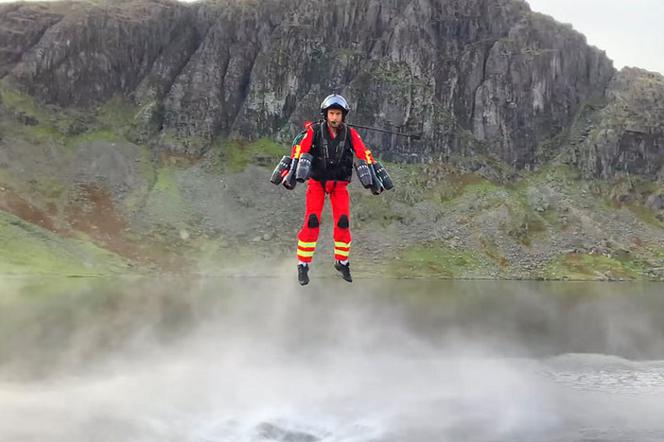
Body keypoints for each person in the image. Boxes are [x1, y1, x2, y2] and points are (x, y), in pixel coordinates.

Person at [285, 94, 380, 285]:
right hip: (317, 183)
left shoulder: (350, 134)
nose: (334, 117)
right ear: (326, 114)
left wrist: (374, 173)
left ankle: (342, 262)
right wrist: (292, 172)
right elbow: (300, 150)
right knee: (312, 222)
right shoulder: (314, 131)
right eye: (331, 113)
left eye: (337, 113)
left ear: (343, 116)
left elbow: (363, 152)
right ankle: (303, 265)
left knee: (343, 222)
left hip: (339, 185)